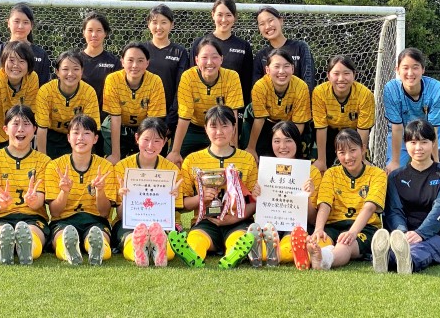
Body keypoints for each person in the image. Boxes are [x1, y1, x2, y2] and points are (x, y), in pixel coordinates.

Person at [168, 106, 257, 269]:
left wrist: (235, 219)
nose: (219, 132)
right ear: (205, 129)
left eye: (225, 126)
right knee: (196, 239)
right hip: (204, 221)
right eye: (214, 126)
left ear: (234, 127)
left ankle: (233, 255)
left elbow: (253, 201)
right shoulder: (192, 160)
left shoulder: (247, 159)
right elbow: (183, 205)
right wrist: (201, 198)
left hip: (237, 220)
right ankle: (192, 254)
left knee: (238, 239)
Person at [372, 119, 440, 274]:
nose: (418, 148)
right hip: (403, 235)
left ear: (433, 143)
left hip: (438, 235)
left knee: (422, 249)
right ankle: (387, 256)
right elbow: (394, 210)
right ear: (406, 144)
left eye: (424, 142)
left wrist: (421, 233)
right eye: (413, 142)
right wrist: (403, 234)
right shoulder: (395, 176)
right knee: (400, 246)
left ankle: (405, 260)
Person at [306, 129, 387, 270]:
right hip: (333, 225)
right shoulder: (331, 173)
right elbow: (325, 204)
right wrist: (319, 229)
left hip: (365, 228)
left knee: (345, 243)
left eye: (352, 150)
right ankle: (316, 253)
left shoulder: (378, 174)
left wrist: (353, 232)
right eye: (342, 153)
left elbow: (369, 207)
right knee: (318, 240)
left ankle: (325, 260)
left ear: (363, 149)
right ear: (337, 154)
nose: (348, 157)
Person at [0, 105, 50, 265]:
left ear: (34, 129)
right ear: (5, 128)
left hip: (33, 217)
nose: (21, 129)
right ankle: (1, 250)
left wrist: (34, 202)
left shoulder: (44, 161)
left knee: (32, 233)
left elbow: (40, 200)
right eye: (15, 124)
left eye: (26, 124)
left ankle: (28, 249)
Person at [247, 121, 321, 269]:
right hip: (269, 224)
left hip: (295, 226)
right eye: (277, 141)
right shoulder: (263, 171)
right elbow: (259, 211)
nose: (282, 147)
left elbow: (312, 219)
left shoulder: (311, 172)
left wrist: (307, 196)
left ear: (297, 142)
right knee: (262, 234)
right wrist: (256, 197)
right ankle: (264, 253)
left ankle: (276, 255)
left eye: (288, 141)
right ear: (271, 143)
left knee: (291, 238)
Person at [44, 114, 116, 266]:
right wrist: (64, 191)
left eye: (87, 133)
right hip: (64, 220)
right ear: (68, 138)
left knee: (99, 237)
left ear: (95, 138)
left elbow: (104, 212)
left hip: (96, 220)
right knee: (63, 237)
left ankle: (96, 250)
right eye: (76, 133)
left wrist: (100, 191)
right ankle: (69, 252)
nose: (81, 138)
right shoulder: (55, 166)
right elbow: (55, 213)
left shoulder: (106, 167)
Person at [112, 118, 183, 267]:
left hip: (163, 224)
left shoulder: (172, 171)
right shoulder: (121, 168)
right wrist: (124, 198)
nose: (151, 146)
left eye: (157, 141)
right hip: (130, 223)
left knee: (168, 247)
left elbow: (174, 213)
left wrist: (172, 200)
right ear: (137, 138)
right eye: (146, 139)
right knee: (130, 240)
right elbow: (119, 215)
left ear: (164, 143)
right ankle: (139, 254)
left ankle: (160, 249)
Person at [167, 37, 244, 168]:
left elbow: (232, 117)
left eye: (214, 57)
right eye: (204, 58)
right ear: (196, 60)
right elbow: (184, 116)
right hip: (193, 127)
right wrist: (175, 151)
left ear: (221, 59)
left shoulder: (232, 77)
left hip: (220, 128)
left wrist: (233, 150)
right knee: (173, 162)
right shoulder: (188, 77)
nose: (209, 62)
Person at [384, 48, 440, 173]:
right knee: (392, 172)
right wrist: (395, 161)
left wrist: (436, 163)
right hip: (402, 133)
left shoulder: (437, 89)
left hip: (432, 133)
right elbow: (397, 128)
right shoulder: (391, 90)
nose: (410, 73)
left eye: (415, 67)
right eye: (405, 68)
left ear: (423, 69)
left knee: (438, 172)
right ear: (397, 70)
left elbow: (433, 132)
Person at [242, 48, 311, 162]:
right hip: (265, 123)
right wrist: (251, 147)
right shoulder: (260, 86)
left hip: (291, 125)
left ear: (293, 69)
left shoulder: (301, 87)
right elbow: (259, 119)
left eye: (286, 66)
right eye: (277, 66)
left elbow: (299, 123)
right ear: (267, 70)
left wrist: (287, 147)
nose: (281, 71)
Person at [102, 42, 166, 165]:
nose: (135, 65)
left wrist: (147, 146)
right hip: (118, 126)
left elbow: (152, 121)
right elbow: (115, 118)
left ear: (147, 63)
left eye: (140, 61)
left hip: (144, 126)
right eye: (130, 60)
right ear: (122, 62)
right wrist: (115, 154)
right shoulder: (112, 80)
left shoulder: (155, 81)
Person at [312, 55, 375, 172]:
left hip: (354, 134)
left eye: (346, 73)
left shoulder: (365, 94)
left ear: (354, 75)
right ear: (328, 76)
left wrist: (361, 157)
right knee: (319, 168)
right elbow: (321, 128)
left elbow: (363, 129)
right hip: (329, 133)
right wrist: (321, 159)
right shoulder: (319, 93)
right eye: (336, 74)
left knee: (359, 166)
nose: (341, 78)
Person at [35, 51, 100, 159]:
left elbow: (90, 128)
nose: (70, 73)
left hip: (78, 136)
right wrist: (42, 158)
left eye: (76, 69)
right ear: (57, 71)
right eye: (65, 69)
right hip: (52, 137)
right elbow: (42, 128)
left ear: (82, 71)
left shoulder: (89, 92)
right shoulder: (45, 91)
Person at [190, 0, 253, 106]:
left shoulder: (243, 46)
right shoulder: (199, 43)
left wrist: (241, 111)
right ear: (213, 15)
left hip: (232, 108)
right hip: (203, 108)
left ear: (235, 17)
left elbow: (246, 83)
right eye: (220, 15)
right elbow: (192, 78)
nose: (224, 20)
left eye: (228, 15)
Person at [142, 4, 189, 146]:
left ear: (171, 25)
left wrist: (171, 119)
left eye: (163, 22)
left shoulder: (179, 52)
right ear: (149, 24)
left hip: (170, 116)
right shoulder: (141, 50)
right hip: (143, 114)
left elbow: (181, 88)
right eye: (154, 22)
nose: (159, 27)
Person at [80, 11, 121, 155]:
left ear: (106, 33)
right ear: (84, 32)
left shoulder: (113, 62)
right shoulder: (75, 60)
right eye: (90, 30)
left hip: (105, 123)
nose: (94, 35)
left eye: (99, 31)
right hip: (79, 122)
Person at [0, 3, 52, 86]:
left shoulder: (41, 54)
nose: (20, 26)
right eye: (16, 21)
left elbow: (43, 89)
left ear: (32, 25)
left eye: (25, 22)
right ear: (8, 23)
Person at [252, 6, 316, 91]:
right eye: (262, 24)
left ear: (281, 21)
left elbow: (309, 82)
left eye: (270, 20)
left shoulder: (300, 47)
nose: (267, 26)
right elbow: (256, 89)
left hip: (300, 102)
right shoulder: (261, 56)